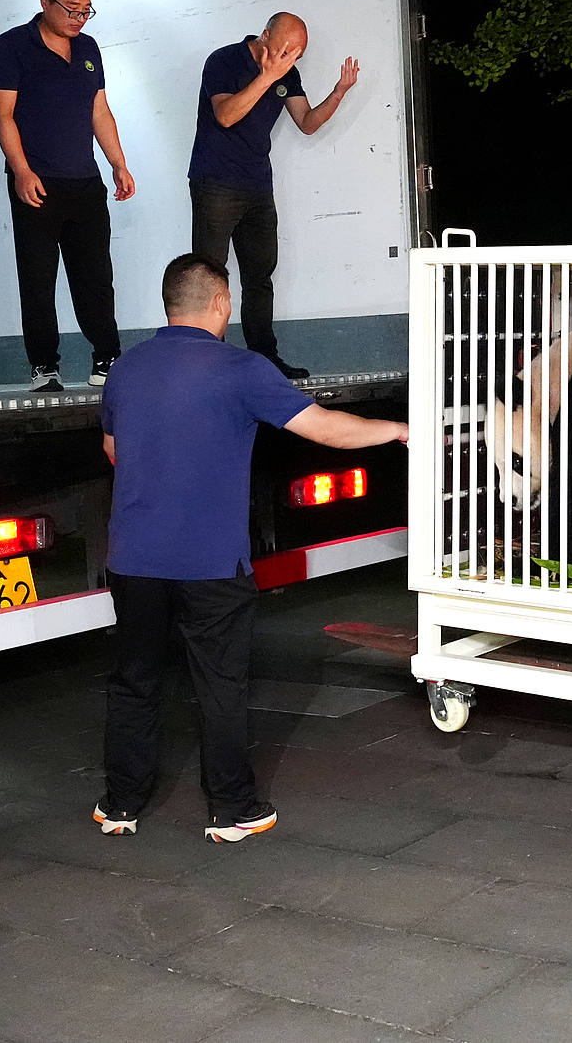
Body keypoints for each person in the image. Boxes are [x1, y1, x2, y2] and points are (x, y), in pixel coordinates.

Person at [93, 253, 408, 843]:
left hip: (134, 559)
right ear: (220, 303)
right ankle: (232, 809)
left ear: (168, 305)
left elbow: (114, 449)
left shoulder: (125, 371)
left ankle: (120, 804)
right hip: (211, 563)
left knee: (134, 680)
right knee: (219, 684)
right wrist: (394, 430)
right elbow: (325, 429)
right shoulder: (241, 370)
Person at [0, 0, 135, 392]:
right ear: (44, 0)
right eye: (71, 8)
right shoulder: (13, 46)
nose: (78, 18)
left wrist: (118, 163)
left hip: (85, 183)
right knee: (38, 278)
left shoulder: (88, 49)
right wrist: (22, 170)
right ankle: (44, 366)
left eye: (86, 10)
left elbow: (99, 110)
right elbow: (3, 115)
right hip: (38, 183)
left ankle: (107, 359)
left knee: (95, 277)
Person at [188, 12, 359, 379]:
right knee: (208, 275)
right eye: (286, 49)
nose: (291, 58)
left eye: (298, 54)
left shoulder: (288, 74)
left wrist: (339, 92)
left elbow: (308, 123)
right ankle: (204, 362)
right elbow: (226, 116)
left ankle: (265, 359)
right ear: (265, 36)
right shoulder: (224, 60)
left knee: (260, 276)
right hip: (215, 182)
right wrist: (268, 77)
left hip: (257, 187)